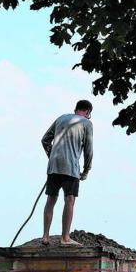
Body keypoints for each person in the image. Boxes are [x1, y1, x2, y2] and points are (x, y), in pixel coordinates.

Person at [40, 100, 94, 246]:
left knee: (51, 199)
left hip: (54, 166)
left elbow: (45, 140)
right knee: (69, 200)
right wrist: (86, 170)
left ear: (75, 109)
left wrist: (52, 156)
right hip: (71, 168)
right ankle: (65, 237)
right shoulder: (86, 123)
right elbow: (88, 150)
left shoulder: (61, 118)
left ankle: (45, 236)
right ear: (88, 112)